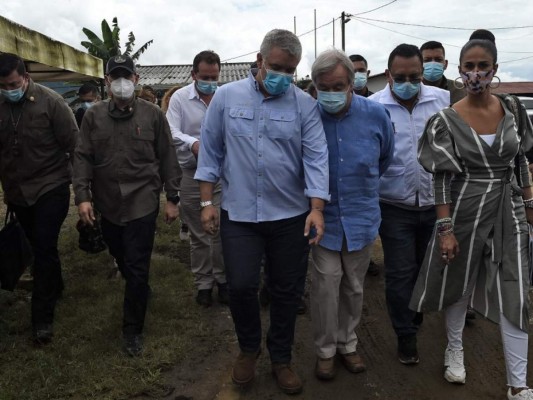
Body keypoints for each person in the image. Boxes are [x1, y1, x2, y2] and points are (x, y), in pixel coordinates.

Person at [194, 29, 330, 394]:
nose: (282, 76)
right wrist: (207, 203)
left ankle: (281, 357)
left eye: (290, 70)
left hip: (289, 216)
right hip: (239, 215)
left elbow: (316, 158)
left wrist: (317, 208)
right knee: (240, 286)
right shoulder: (225, 97)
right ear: (259, 60)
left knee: (287, 291)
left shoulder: (305, 105)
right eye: (276, 67)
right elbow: (211, 152)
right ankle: (248, 348)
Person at [410, 39, 533, 400]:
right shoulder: (446, 120)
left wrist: (528, 206)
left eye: (483, 65)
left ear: (495, 68)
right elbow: (441, 178)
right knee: (459, 283)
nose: (475, 73)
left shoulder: (511, 109)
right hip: (464, 210)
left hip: (507, 211)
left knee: (516, 290)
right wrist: (445, 229)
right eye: (469, 65)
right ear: (459, 69)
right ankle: (454, 348)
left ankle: (518, 383)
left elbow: (521, 161)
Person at [73, 55, 182, 356]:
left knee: (136, 264)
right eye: (115, 77)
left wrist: (173, 198)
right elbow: (82, 157)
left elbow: (167, 156)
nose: (121, 82)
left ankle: (132, 329)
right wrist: (82, 196)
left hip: (142, 201)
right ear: (106, 82)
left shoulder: (153, 116)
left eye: (126, 76)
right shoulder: (93, 117)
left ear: (135, 79)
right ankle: (138, 287)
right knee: (120, 255)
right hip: (108, 203)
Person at [310, 48, 394, 380]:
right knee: (326, 285)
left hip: (361, 215)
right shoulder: (308, 115)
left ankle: (348, 343)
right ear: (315, 86)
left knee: (354, 286)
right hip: (322, 218)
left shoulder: (375, 115)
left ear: (350, 83)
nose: (331, 93)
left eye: (338, 85)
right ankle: (325, 350)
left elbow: (384, 158)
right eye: (324, 87)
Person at [368, 44, 449, 365]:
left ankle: (414, 313)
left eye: (414, 76)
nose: (408, 82)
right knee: (400, 272)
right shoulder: (373, 106)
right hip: (393, 205)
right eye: (400, 77)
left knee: (425, 269)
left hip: (435, 204)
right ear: (388, 75)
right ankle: (405, 334)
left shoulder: (442, 101)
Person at [0, 53, 78, 344]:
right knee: (37, 246)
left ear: (25, 76)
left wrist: (84, 192)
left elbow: (75, 146)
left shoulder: (52, 103)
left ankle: (41, 318)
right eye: (3, 86)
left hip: (50, 187)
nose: (9, 90)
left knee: (44, 247)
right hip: (17, 192)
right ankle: (55, 286)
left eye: (13, 83)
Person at [166, 50, 227, 307]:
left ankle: (223, 281)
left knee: (222, 231)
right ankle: (204, 283)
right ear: (194, 75)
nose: (210, 82)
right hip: (190, 174)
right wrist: (193, 144)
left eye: (214, 77)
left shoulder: (224, 97)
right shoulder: (180, 98)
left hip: (222, 176)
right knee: (198, 232)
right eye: (205, 77)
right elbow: (171, 130)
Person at [420, 41, 466, 105]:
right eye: (427, 60)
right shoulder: (413, 91)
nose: (433, 63)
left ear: (445, 64)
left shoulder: (459, 90)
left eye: (438, 59)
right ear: (419, 64)